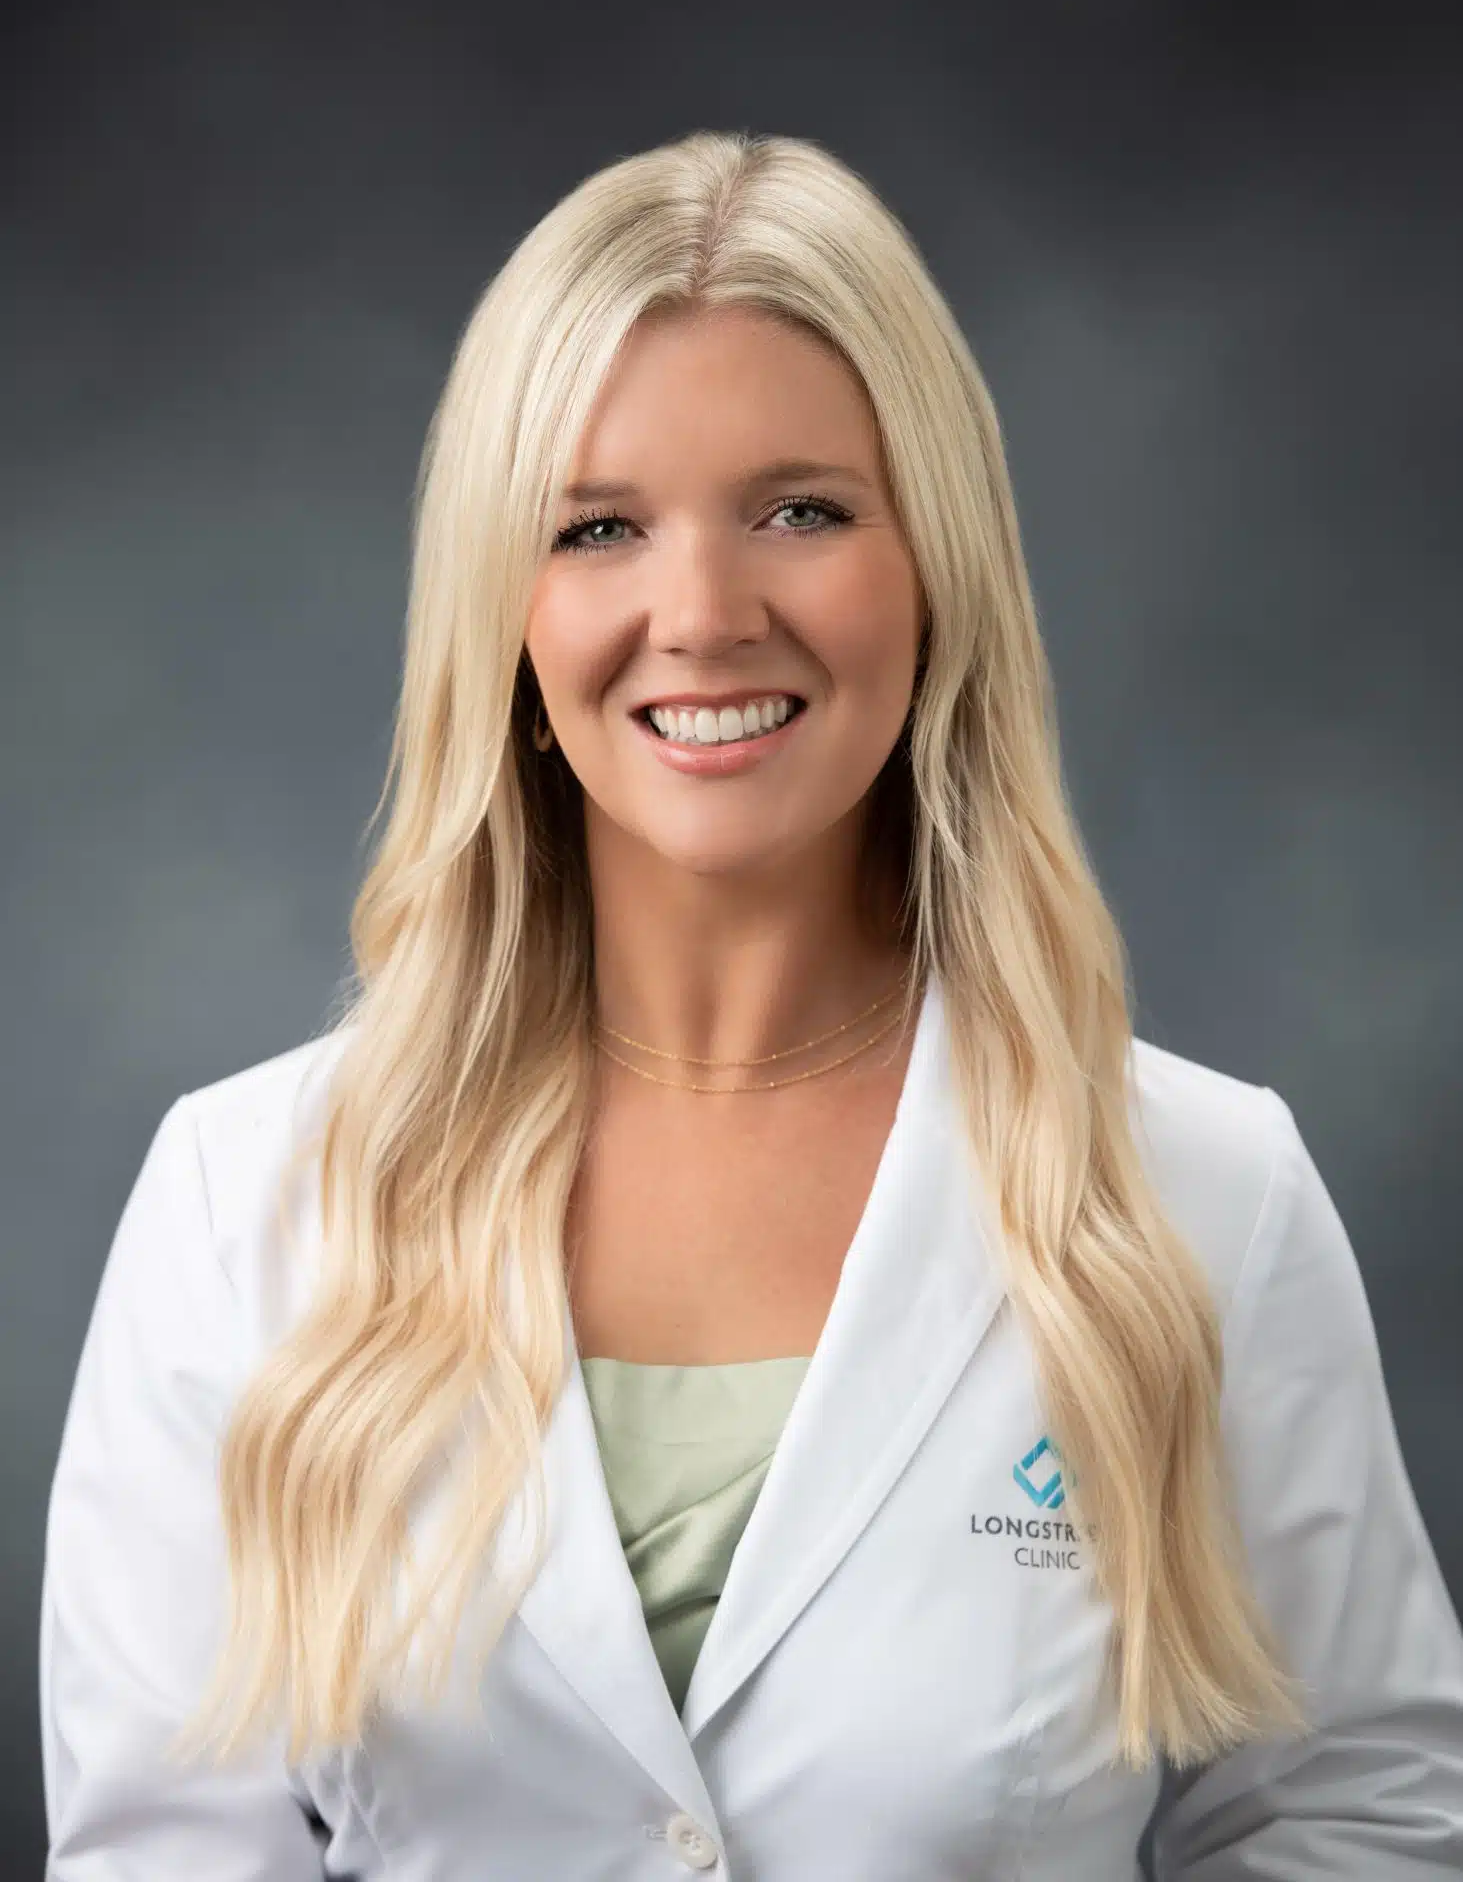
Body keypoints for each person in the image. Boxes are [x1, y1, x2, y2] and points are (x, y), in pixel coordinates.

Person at [40, 130, 1463, 1879]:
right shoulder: (239, 1206)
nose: (702, 615)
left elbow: (1356, 1820)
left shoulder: (1205, 1199)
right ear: (504, 617)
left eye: (801, 511)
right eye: (597, 527)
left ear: (934, 572)